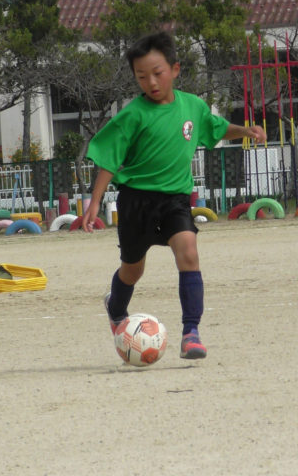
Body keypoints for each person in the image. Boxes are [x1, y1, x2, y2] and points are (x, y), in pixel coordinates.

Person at [81, 31, 266, 360]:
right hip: (136, 200)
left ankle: (191, 332)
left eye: (157, 73)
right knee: (133, 270)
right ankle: (116, 306)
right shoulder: (134, 114)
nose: (150, 82)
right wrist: (95, 201)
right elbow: (109, 157)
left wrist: (245, 131)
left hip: (175, 200)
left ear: (175, 69)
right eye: (141, 76)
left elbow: (215, 127)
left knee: (189, 252)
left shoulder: (192, 105)